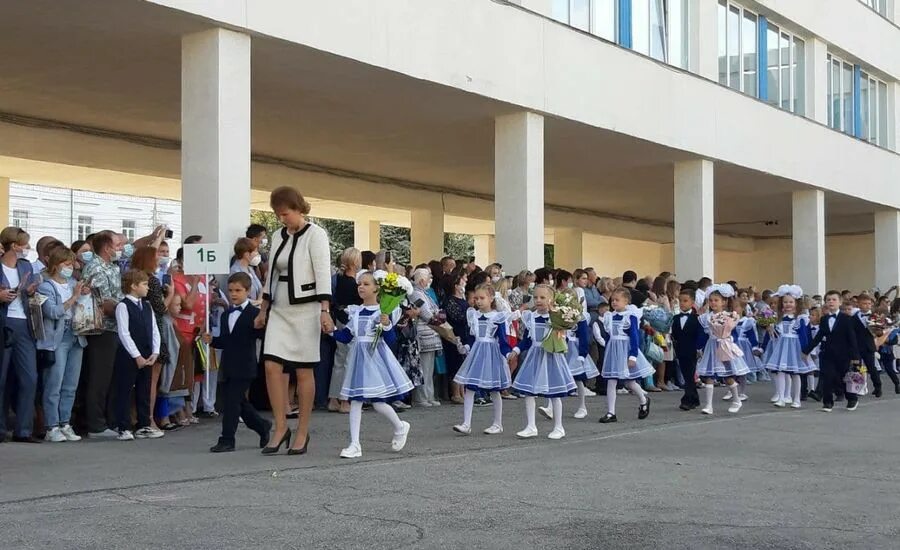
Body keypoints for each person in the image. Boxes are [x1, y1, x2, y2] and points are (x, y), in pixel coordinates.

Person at [256, 186, 333, 455]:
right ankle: (280, 427)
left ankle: (302, 432)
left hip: (307, 307)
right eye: (278, 215)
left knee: (303, 371)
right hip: (280, 307)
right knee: (271, 366)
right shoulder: (278, 236)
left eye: (285, 213)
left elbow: (323, 273)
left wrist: (325, 310)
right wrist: (263, 308)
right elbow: (270, 274)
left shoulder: (316, 234)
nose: (281, 219)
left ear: (298, 208)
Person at [332, 271, 412, 459]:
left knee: (377, 402)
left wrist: (386, 326)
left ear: (377, 288)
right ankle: (355, 444)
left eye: (366, 284)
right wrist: (331, 331)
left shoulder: (382, 312)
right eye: (359, 283)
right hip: (359, 359)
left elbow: (391, 340)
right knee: (357, 400)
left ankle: (400, 426)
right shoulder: (356, 311)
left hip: (375, 360)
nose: (361, 286)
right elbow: (347, 336)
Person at [203, 272, 272, 453]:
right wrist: (212, 340)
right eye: (231, 290)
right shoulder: (226, 315)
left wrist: (263, 326)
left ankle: (227, 439)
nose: (233, 294)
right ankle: (262, 425)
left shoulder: (255, 314)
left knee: (232, 403)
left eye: (238, 290)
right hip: (228, 364)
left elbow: (263, 336)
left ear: (248, 291)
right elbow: (226, 341)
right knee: (239, 403)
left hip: (245, 365)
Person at [509, 284, 576, 440]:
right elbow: (526, 339)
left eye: (542, 297)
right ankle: (531, 426)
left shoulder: (556, 317)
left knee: (554, 393)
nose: (538, 300)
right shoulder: (530, 317)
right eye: (536, 297)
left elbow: (562, 337)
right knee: (529, 392)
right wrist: (516, 350)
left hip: (551, 356)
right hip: (534, 356)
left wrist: (560, 329)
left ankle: (559, 427)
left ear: (551, 300)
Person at [37, 247, 89, 442]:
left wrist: (82, 294)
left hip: (76, 335)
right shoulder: (46, 286)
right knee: (54, 382)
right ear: (55, 265)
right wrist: (74, 297)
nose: (70, 268)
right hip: (57, 337)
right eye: (66, 264)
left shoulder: (73, 283)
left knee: (70, 384)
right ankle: (52, 426)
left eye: (71, 264)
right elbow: (52, 312)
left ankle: (65, 422)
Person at [452, 283, 513, 436]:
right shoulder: (473, 315)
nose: (478, 301)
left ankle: (497, 423)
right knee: (470, 387)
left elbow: (503, 339)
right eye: (476, 298)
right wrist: (466, 347)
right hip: (477, 354)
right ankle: (466, 423)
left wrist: (506, 353)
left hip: (492, 354)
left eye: (482, 298)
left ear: (491, 298)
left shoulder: (497, 317)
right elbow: (472, 337)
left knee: (494, 390)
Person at [81, 231, 125, 438]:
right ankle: (95, 425)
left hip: (116, 328)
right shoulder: (96, 268)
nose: (121, 249)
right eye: (117, 245)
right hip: (102, 329)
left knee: (111, 378)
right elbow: (102, 302)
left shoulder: (113, 268)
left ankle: (110, 420)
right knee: (99, 377)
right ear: (107, 247)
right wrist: (127, 312)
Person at [0, 227, 41, 443]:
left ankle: (23, 430)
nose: (27, 248)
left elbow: (30, 293)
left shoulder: (25, 266)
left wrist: (32, 290)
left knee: (29, 377)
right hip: (4, 322)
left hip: (25, 324)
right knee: (2, 377)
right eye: (24, 244)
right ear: (14, 246)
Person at [113, 270, 162, 441]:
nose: (148, 288)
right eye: (144, 284)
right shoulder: (123, 306)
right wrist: (137, 356)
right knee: (125, 390)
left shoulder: (147, 306)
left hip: (147, 353)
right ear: (133, 286)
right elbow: (124, 333)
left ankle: (144, 424)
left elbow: (154, 329)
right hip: (129, 356)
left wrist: (155, 351)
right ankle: (123, 426)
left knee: (144, 389)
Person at [131, 246, 175, 432]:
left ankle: (136, 417)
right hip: (154, 329)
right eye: (156, 255)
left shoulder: (134, 277)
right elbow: (160, 308)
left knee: (138, 380)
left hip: (139, 331)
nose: (159, 258)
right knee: (152, 379)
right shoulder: (152, 281)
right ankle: (149, 419)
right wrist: (171, 294)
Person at [597, 287, 653, 423]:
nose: (614, 302)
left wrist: (632, 356)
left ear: (626, 301)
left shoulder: (630, 317)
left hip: (625, 350)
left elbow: (634, 337)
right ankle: (611, 412)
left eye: (617, 300)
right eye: (612, 300)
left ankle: (644, 400)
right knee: (611, 380)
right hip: (613, 350)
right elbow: (609, 335)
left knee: (629, 382)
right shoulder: (609, 316)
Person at [696, 284, 751, 415]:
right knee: (709, 376)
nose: (713, 303)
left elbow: (734, 333)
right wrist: (698, 346)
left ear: (724, 302)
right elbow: (704, 334)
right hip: (711, 346)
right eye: (711, 300)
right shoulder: (706, 317)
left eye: (716, 300)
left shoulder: (729, 316)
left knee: (727, 376)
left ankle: (737, 399)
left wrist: (728, 339)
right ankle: (709, 405)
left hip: (724, 347)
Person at [803, 291, 861, 412]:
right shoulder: (824, 319)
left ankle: (852, 398)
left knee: (844, 378)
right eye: (828, 300)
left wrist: (855, 357)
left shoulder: (847, 319)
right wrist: (806, 350)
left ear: (840, 302)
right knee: (828, 377)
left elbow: (852, 339)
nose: (831, 302)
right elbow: (819, 336)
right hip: (828, 353)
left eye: (834, 300)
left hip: (844, 354)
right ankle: (827, 403)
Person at [762, 285, 813, 409]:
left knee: (795, 373)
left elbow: (803, 336)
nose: (788, 304)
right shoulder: (778, 318)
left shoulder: (800, 318)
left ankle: (796, 399)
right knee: (780, 371)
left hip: (794, 347)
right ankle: (781, 397)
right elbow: (775, 334)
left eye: (791, 302)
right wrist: (770, 329)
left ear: (796, 303)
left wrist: (805, 351)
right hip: (782, 346)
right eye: (785, 302)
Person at [329, 247, 363, 414]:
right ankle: (344, 400)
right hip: (350, 320)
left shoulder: (338, 279)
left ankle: (333, 398)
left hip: (339, 317)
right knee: (348, 360)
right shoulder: (353, 284)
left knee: (339, 360)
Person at [408, 268, 443, 407]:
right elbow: (427, 314)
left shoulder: (424, 293)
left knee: (429, 369)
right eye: (428, 278)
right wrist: (437, 315)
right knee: (423, 368)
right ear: (422, 280)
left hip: (431, 334)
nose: (429, 280)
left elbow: (435, 310)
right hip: (424, 334)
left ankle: (429, 395)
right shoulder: (416, 294)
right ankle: (421, 397)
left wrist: (437, 314)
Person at [671, 288, 704, 411]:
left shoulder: (697, 318)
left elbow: (700, 334)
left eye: (685, 301)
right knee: (686, 375)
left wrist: (699, 347)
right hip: (680, 349)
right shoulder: (675, 318)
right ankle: (695, 398)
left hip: (692, 350)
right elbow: (674, 333)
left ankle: (687, 400)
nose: (682, 303)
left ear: (692, 302)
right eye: (680, 301)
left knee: (690, 375)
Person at [229, 237, 264, 303]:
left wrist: (260, 300)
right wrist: (257, 302)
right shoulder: (235, 271)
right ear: (247, 254)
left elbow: (260, 288)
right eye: (255, 252)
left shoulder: (250, 269)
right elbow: (237, 297)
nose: (257, 255)